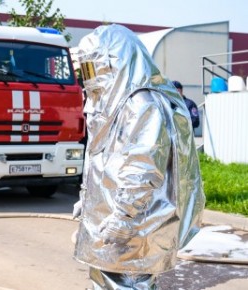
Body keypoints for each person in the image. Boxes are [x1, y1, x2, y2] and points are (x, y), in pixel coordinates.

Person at [72, 24, 205, 289]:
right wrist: (88, 202)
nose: (88, 77)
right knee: (108, 280)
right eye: (84, 70)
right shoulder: (115, 102)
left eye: (91, 67)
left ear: (114, 62)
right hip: (114, 218)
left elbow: (142, 168)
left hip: (132, 226)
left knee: (128, 281)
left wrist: (124, 217)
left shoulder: (141, 103)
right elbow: (103, 160)